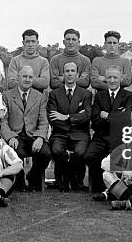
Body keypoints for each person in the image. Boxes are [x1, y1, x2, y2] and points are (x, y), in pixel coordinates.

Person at [84, 65, 132, 195]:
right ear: (105, 79)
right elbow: (95, 121)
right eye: (109, 77)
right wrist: (116, 116)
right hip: (101, 136)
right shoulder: (99, 96)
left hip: (120, 138)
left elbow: (126, 120)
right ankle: (99, 188)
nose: (112, 80)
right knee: (90, 155)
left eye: (115, 77)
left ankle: (116, 187)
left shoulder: (130, 96)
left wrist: (107, 116)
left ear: (121, 78)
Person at [1, 66, 51, 192]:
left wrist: (40, 137)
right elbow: (3, 121)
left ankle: (33, 178)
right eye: (24, 76)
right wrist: (10, 136)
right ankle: (19, 181)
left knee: (45, 154)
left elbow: (44, 121)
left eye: (30, 77)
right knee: (17, 153)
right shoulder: (6, 96)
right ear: (18, 77)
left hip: (33, 135)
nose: (27, 79)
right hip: (16, 135)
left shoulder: (40, 97)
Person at [47, 61, 92, 192]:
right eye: (67, 71)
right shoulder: (54, 94)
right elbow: (53, 118)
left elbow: (87, 116)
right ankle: (62, 180)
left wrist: (66, 117)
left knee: (80, 152)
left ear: (77, 74)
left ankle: (76, 180)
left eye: (73, 71)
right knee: (56, 150)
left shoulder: (85, 94)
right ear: (63, 74)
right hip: (60, 133)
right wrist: (77, 116)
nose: (70, 73)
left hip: (80, 133)